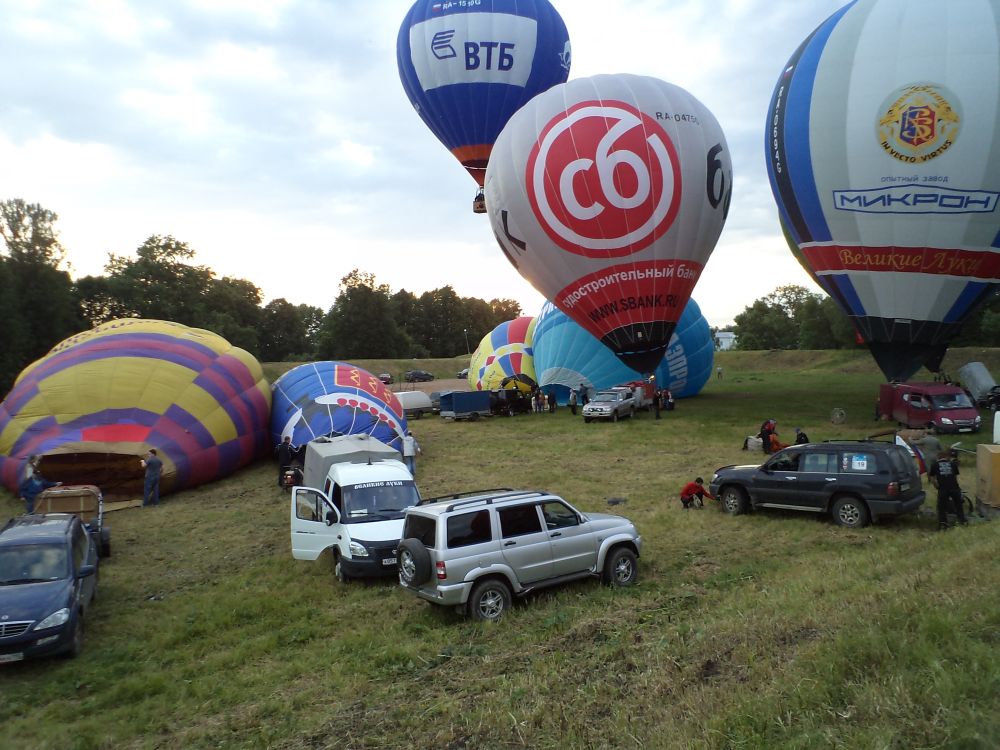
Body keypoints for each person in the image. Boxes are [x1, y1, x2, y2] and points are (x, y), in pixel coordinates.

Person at [928, 447, 967, 530]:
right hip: (954, 488)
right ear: (946, 457)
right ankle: (962, 521)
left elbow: (932, 478)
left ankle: (943, 523)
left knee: (941, 507)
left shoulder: (934, 465)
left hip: (943, 489)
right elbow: (955, 476)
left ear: (938, 457)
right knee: (958, 505)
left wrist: (936, 486)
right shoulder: (953, 464)